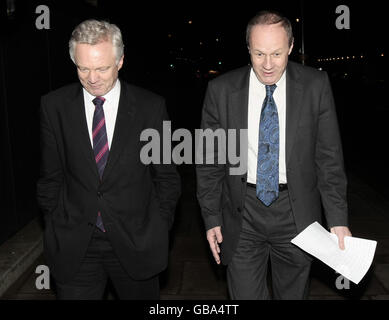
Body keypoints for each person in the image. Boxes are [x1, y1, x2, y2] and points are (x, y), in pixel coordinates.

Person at [196, 10, 352, 300]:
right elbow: (209, 161)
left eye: (277, 54)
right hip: (242, 213)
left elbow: (328, 159)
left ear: (291, 47)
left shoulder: (315, 86)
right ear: (248, 49)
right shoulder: (221, 91)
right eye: (259, 54)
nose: (267, 64)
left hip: (297, 214)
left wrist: (338, 218)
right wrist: (211, 216)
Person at [37, 19, 181, 300]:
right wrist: (56, 223)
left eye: (102, 68)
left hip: (136, 241)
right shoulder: (53, 107)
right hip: (76, 245)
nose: (92, 78)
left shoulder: (151, 107)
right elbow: (50, 178)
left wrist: (157, 227)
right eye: (83, 68)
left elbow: (166, 177)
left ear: (120, 61)